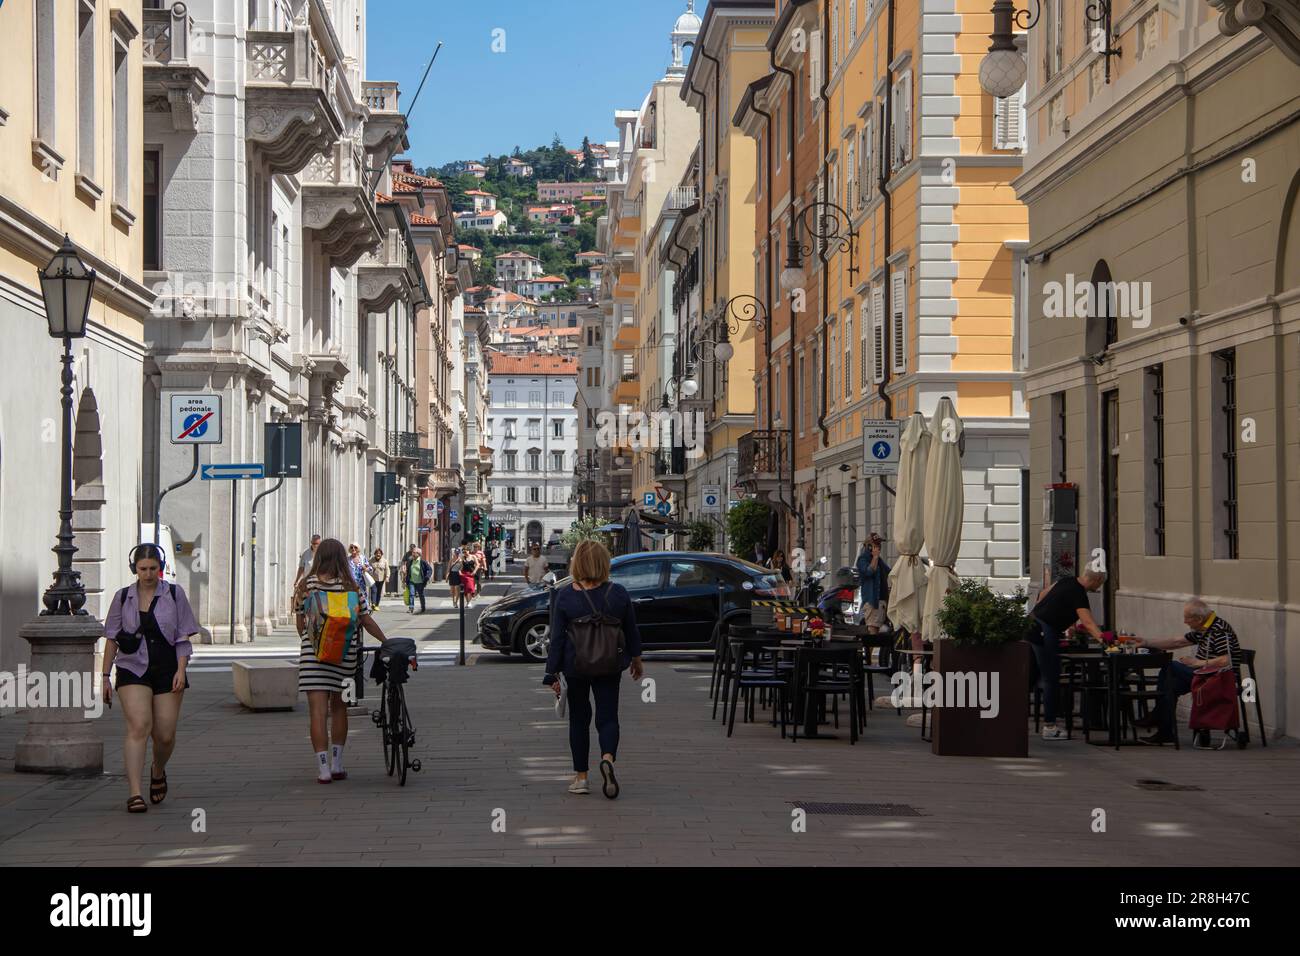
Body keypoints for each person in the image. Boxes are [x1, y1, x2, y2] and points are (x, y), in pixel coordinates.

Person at [102, 543, 200, 813]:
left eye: (153, 569)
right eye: (143, 569)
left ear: (161, 568)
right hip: (132, 667)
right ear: (135, 569)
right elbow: (111, 638)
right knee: (139, 726)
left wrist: (181, 669)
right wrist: (105, 676)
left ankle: (158, 769)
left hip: (168, 667)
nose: (147, 574)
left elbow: (183, 636)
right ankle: (134, 793)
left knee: (165, 735)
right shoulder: (123, 598)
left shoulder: (174, 594)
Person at [543, 540, 643, 798]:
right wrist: (636, 659)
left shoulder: (565, 596)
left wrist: (551, 673)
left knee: (579, 719)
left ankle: (581, 778)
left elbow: (557, 639)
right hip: (610, 664)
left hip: (575, 666)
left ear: (576, 563)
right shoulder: (618, 593)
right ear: (604, 563)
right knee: (608, 717)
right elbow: (631, 629)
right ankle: (607, 758)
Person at [295, 538, 389, 783]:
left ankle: (323, 769)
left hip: (313, 657)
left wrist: (313, 642)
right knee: (339, 710)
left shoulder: (306, 585)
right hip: (344, 657)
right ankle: (337, 765)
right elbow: (366, 620)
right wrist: (385, 640)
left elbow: (300, 623)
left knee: (317, 712)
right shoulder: (351, 587)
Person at [1136, 599, 1242, 747]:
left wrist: (1196, 663)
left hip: (1218, 679)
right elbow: (1177, 642)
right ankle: (1165, 732)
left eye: (1187, 618)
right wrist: (1146, 642)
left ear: (1199, 619)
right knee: (1170, 686)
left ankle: (1156, 716)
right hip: (1204, 675)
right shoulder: (1204, 627)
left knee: (1169, 665)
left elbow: (1225, 660)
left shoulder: (1218, 629)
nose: (1185, 621)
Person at [1028, 569, 1107, 740]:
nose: (1100, 586)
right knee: (1051, 678)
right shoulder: (1079, 593)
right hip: (1045, 632)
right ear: (1097, 579)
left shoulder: (1066, 581)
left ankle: (1010, 718)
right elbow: (1087, 622)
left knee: (1031, 677)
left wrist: (1057, 618)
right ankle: (1050, 726)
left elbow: (1043, 594)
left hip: (1032, 626)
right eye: (1101, 583)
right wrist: (1107, 642)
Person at [855, 535, 891, 633]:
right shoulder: (863, 559)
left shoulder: (879, 560)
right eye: (877, 544)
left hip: (881, 601)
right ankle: (870, 648)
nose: (879, 547)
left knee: (878, 631)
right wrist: (875, 557)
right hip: (872, 602)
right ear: (869, 546)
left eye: (880, 544)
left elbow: (889, 572)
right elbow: (869, 572)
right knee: (872, 630)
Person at [400, 545, 432, 613]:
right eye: (412, 553)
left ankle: (423, 607)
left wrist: (427, 577)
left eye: (414, 553)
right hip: (411, 581)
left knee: (421, 595)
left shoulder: (423, 562)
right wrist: (404, 579)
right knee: (411, 594)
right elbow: (408, 571)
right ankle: (411, 608)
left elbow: (430, 569)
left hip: (420, 581)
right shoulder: (410, 561)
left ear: (419, 554)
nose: (413, 554)